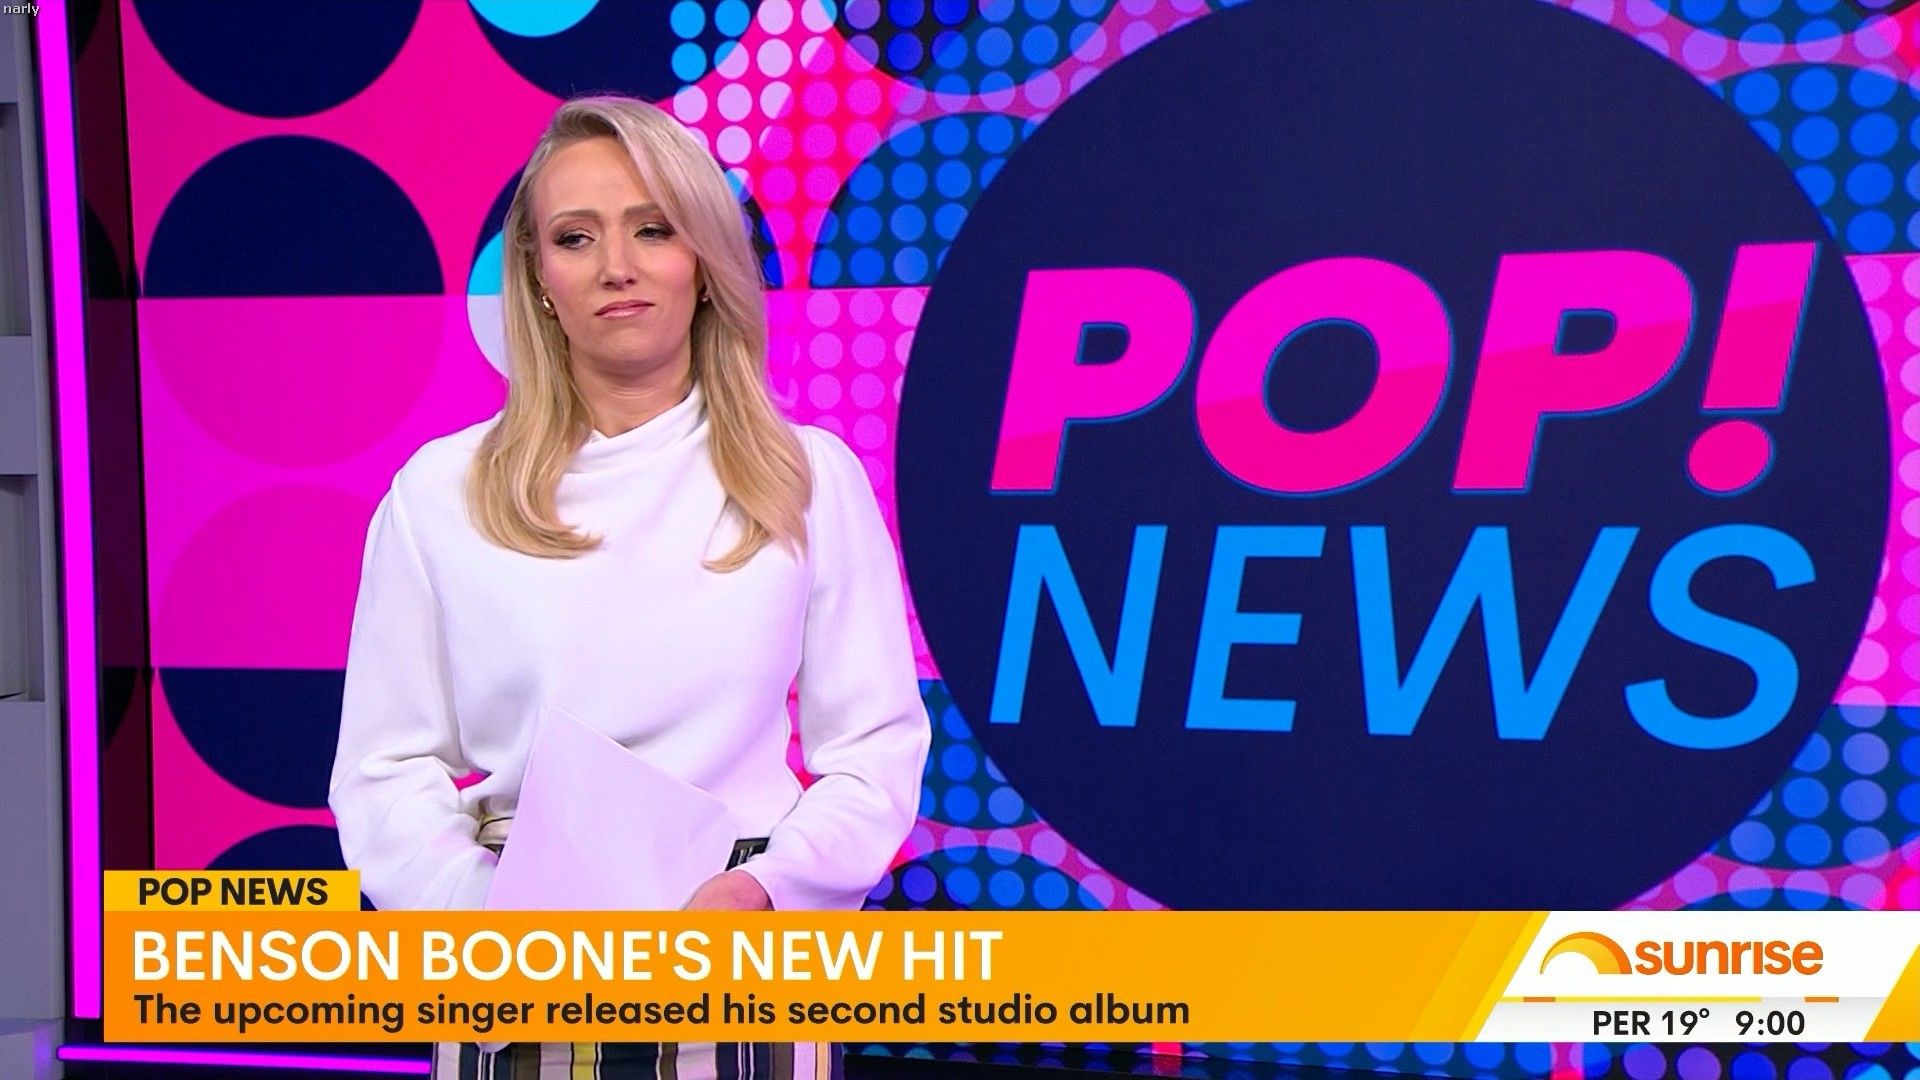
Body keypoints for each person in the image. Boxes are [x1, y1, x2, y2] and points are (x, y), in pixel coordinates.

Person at [327, 94, 931, 1079]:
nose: (618, 265)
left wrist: (768, 891)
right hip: (516, 964)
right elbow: (382, 769)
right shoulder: (440, 493)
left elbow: (875, 753)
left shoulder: (807, 477)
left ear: (702, 259)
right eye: (577, 237)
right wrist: (485, 920)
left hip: (740, 953)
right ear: (538, 275)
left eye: (653, 229)